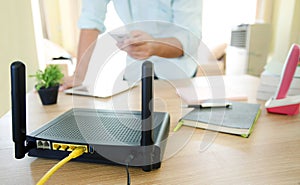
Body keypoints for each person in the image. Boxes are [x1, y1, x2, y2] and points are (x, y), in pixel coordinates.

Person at [61, 0, 202, 90]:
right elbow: (90, 20)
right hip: (135, 71)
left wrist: (154, 46)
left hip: (178, 73)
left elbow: (190, 37)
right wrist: (79, 75)